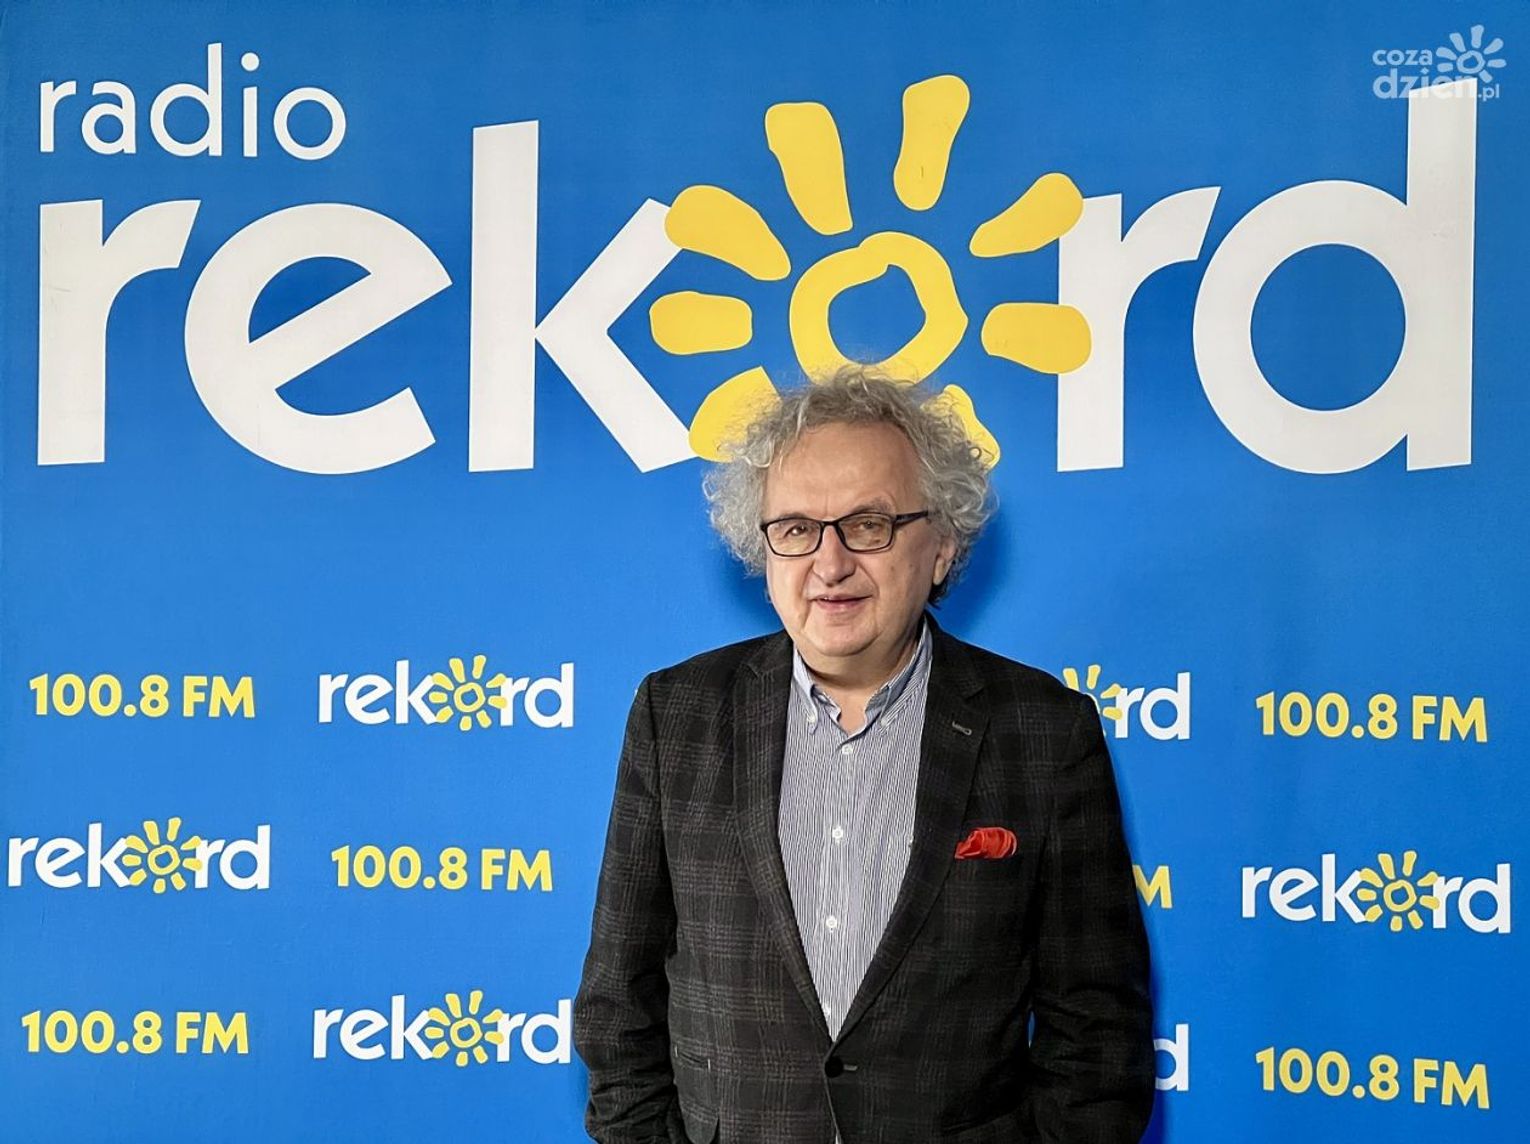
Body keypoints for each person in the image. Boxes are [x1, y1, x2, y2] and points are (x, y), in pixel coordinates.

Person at [574, 369, 1154, 1143]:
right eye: (795, 529)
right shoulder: (673, 715)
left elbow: (1099, 1035)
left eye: (869, 524)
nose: (830, 563)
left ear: (942, 545)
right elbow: (618, 1007)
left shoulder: (1045, 732)